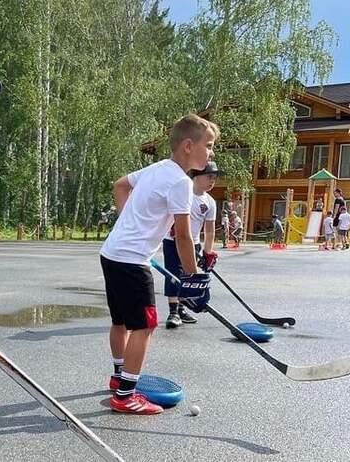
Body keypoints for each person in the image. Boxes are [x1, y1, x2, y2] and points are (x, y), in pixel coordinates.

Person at [99, 114, 215, 415]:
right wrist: (194, 276)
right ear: (189, 146)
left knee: (121, 321)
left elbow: (120, 185)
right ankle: (125, 395)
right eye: (210, 146)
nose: (212, 153)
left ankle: (118, 376)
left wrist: (129, 222)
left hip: (112, 253)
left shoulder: (158, 168)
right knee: (146, 326)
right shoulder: (180, 182)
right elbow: (185, 238)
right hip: (132, 261)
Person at [163, 161, 221, 328]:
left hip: (193, 243)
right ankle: (173, 311)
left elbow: (209, 231)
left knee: (188, 277)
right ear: (196, 176)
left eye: (215, 178)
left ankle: (181, 308)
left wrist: (208, 252)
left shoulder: (210, 202)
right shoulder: (183, 193)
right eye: (209, 176)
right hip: (172, 241)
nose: (212, 181)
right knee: (173, 275)